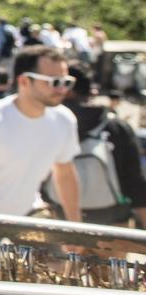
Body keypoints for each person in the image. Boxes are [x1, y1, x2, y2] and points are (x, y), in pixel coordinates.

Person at [0, 45, 81, 219]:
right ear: (24, 81)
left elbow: (65, 174)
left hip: (28, 217)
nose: (62, 89)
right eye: (54, 82)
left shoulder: (64, 120)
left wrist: (75, 227)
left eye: (67, 82)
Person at [58, 67, 146, 226]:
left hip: (60, 219)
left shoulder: (49, 124)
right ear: (91, 91)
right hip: (113, 220)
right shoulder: (116, 126)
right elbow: (135, 178)